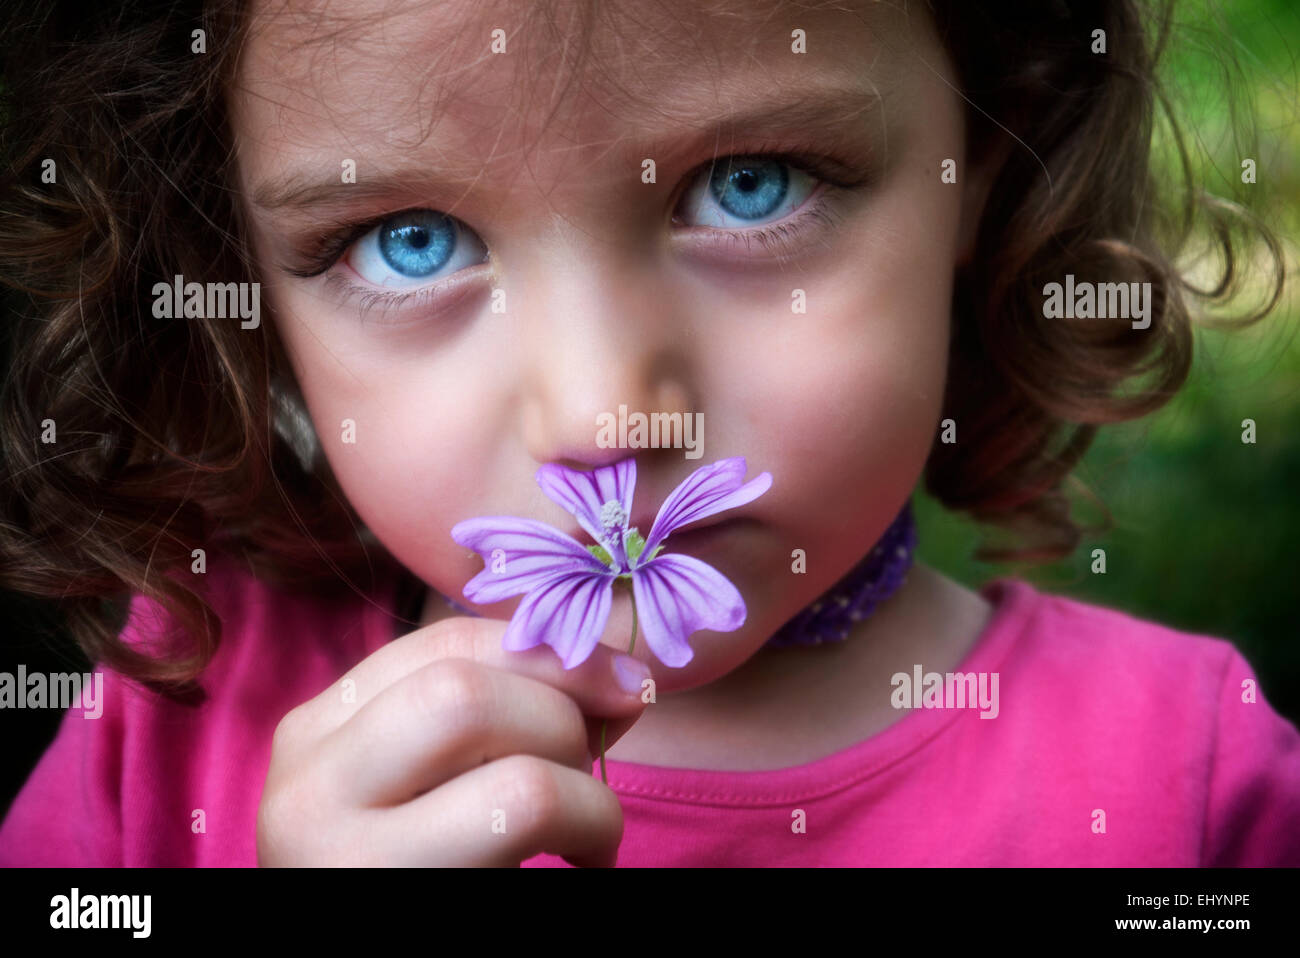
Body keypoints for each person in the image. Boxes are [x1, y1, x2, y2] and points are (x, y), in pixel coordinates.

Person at [0, 0, 1296, 866]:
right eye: (410, 241)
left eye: (752, 183)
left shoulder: (1186, 784)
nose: (603, 416)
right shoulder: (166, 726)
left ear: (987, 164)